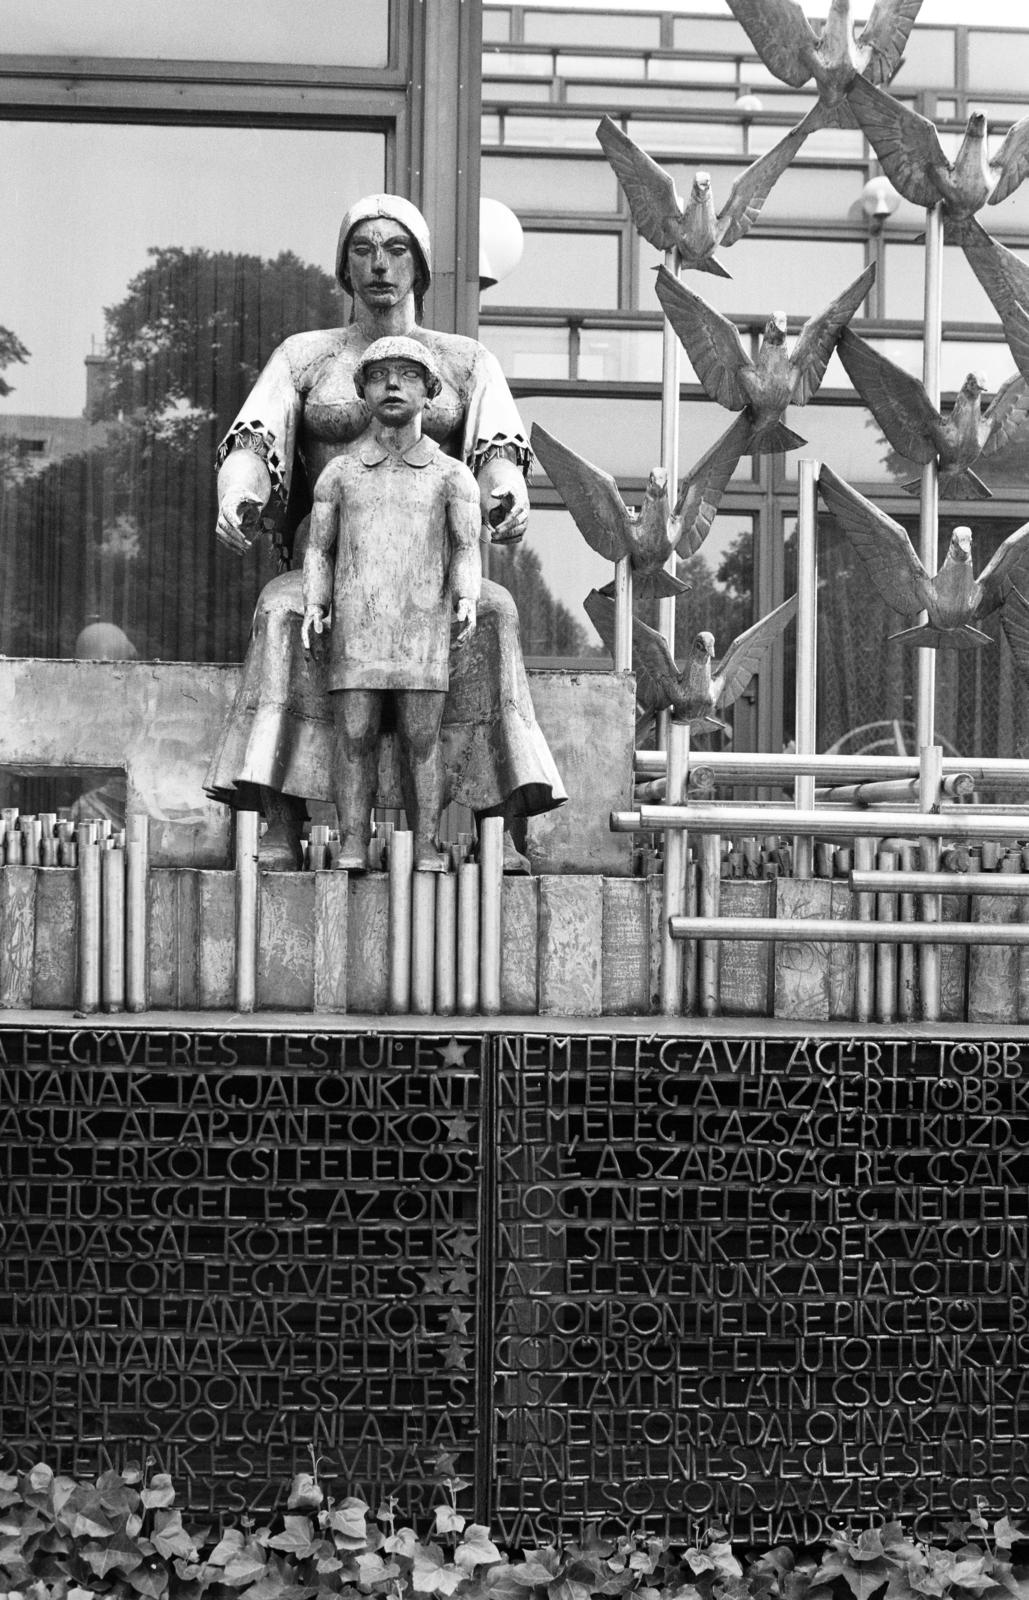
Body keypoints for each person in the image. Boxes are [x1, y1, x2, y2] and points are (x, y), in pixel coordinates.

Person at [205, 192, 565, 865]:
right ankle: (280, 816)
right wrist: (239, 495)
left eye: (396, 249)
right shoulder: (306, 356)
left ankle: (500, 815)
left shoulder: (463, 360)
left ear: (420, 267)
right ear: (344, 267)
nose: (379, 264)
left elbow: (497, 450)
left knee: (495, 613)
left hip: (431, 567)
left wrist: (506, 492)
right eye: (363, 249)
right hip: (336, 557)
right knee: (282, 612)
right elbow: (254, 441)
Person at [301, 337, 481, 871]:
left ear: (430, 392)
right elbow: (318, 549)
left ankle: (426, 842)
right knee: (352, 735)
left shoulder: (453, 476)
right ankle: (353, 839)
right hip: (358, 625)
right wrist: (316, 601)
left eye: (407, 375)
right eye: (380, 376)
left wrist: (467, 595)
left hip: (423, 625)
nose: (394, 385)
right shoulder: (340, 474)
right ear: (362, 391)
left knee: (422, 739)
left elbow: (467, 548)